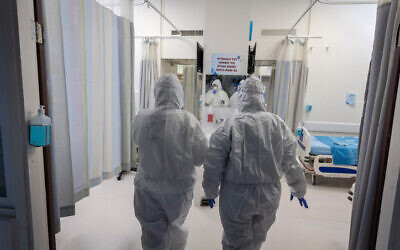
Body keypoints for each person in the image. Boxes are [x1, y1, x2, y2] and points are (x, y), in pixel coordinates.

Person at [202, 76, 308, 250]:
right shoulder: (277, 123)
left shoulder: (231, 123)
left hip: (237, 195)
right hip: (269, 194)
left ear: (241, 97)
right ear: (261, 97)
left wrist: (210, 190)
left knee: (234, 240)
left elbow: (214, 160)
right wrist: (298, 187)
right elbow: (291, 159)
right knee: (257, 239)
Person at [132, 73, 208, 250]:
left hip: (147, 189)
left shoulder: (142, 117)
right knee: (176, 227)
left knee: (151, 233)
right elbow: (200, 157)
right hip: (179, 191)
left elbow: (136, 140)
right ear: (178, 94)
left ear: (156, 93)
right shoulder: (189, 120)